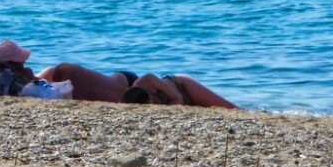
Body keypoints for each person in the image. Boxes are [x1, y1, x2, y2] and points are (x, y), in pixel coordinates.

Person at [33, 61, 238, 108]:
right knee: (53, 72)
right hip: (181, 88)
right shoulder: (138, 97)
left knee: (233, 110)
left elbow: (176, 100)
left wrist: (172, 100)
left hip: (181, 85)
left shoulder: (145, 83)